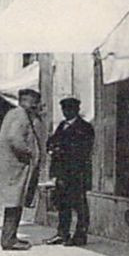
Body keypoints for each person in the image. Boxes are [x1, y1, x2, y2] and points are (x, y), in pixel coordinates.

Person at [0, 87, 45, 251]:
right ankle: (9, 240)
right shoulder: (20, 115)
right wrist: (30, 152)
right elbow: (14, 138)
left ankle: (10, 237)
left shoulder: (14, 114)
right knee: (14, 204)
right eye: (33, 102)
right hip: (15, 169)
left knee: (14, 203)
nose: (35, 105)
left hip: (13, 168)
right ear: (24, 101)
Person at [45, 95, 95, 246]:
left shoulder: (84, 127)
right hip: (62, 172)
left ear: (77, 110)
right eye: (64, 109)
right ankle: (62, 233)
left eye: (70, 109)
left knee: (79, 205)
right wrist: (53, 148)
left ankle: (80, 235)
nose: (66, 112)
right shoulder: (62, 125)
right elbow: (51, 142)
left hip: (77, 172)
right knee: (63, 204)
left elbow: (83, 150)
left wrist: (61, 149)